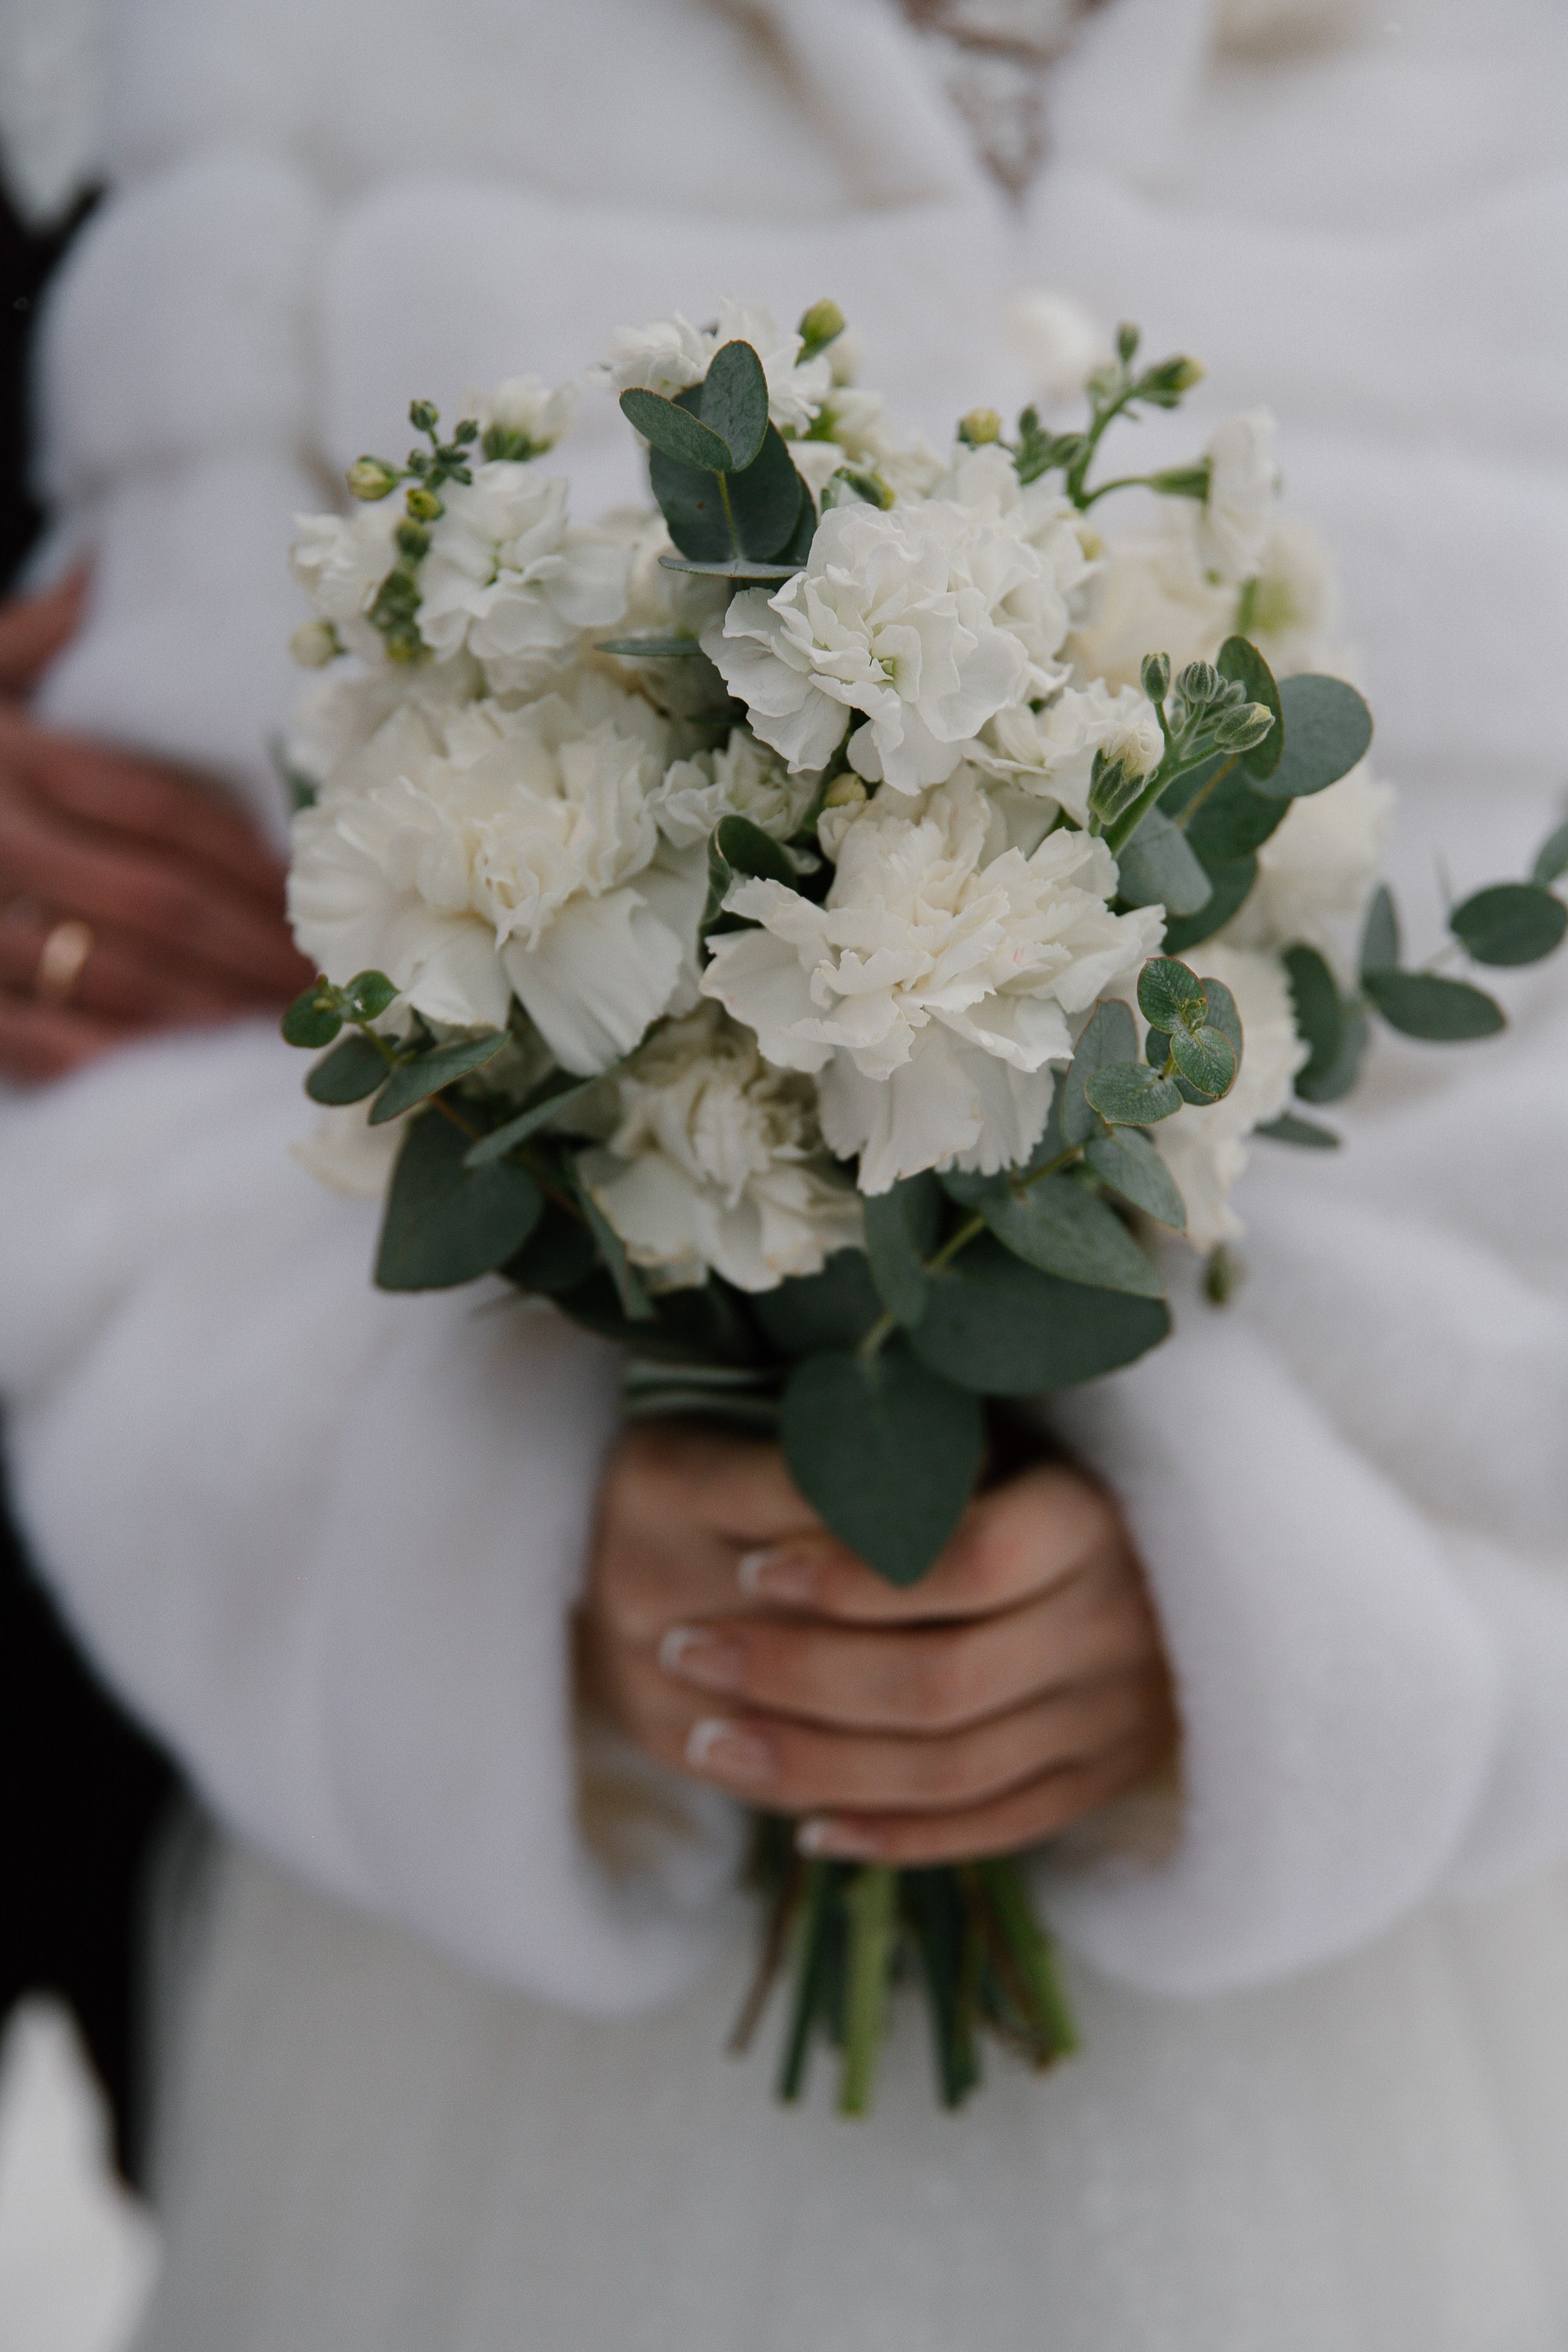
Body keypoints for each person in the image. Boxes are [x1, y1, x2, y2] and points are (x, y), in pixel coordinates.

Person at [4, 1, 1568, 2345]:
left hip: (1387, 2060)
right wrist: (510, 1558)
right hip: (521, 2085)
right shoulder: (307, 62)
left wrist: (1298, 1603)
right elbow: (148, 1079)